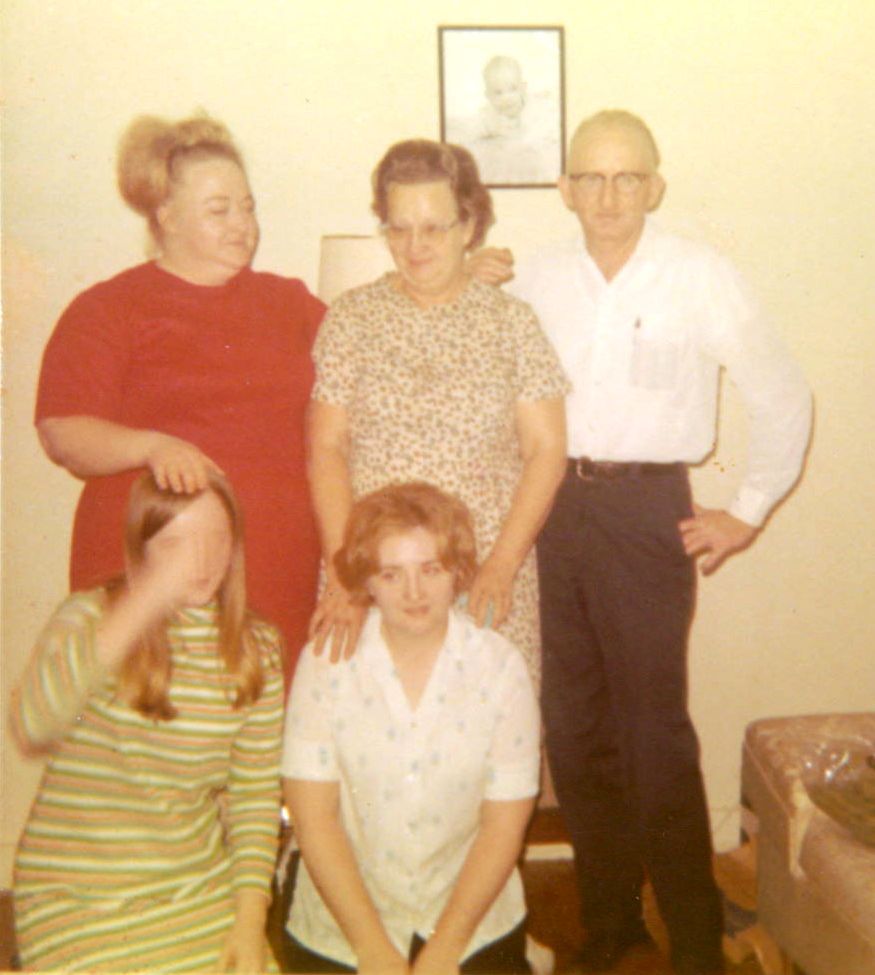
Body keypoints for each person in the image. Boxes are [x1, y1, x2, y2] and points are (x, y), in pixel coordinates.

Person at [480, 109, 812, 974]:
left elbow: (781, 392)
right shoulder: (536, 279)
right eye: (590, 177)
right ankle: (611, 925)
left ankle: (696, 938)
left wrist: (746, 508)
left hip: (644, 511)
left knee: (652, 733)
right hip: (551, 507)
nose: (608, 196)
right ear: (564, 189)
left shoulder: (699, 275)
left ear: (654, 186)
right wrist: (471, 284)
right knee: (573, 726)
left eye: (627, 177)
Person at [35, 112, 324, 680]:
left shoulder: (289, 303)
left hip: (275, 567)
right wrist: (151, 447)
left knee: (263, 720)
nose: (243, 225)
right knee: (148, 721)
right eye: (220, 210)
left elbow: (370, 352)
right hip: (153, 573)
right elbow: (62, 432)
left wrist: (450, 282)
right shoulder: (108, 309)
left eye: (248, 207)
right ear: (165, 216)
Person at [307, 138, 568, 687]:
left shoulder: (512, 324)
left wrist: (502, 564)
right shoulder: (351, 319)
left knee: (491, 725)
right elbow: (327, 448)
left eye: (433, 228)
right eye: (398, 228)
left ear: (469, 226)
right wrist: (345, 573)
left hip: (486, 577)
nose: (415, 246)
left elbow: (546, 451)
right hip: (374, 578)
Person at [12, 471, 284, 973]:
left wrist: (250, 921)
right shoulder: (91, 616)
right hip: (76, 897)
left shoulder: (257, 649)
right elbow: (34, 723)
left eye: (216, 538)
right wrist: (148, 599)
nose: (201, 561)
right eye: (176, 544)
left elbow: (254, 797)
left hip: (195, 889)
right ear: (141, 549)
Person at [281, 481, 541, 973]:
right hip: (344, 921)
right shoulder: (325, 661)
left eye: (431, 569)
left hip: (470, 918)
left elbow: (504, 826)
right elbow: (314, 818)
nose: (415, 592)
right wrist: (372, 949)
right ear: (367, 581)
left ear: (457, 571)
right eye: (392, 574)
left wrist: (446, 948)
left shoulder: (501, 668)